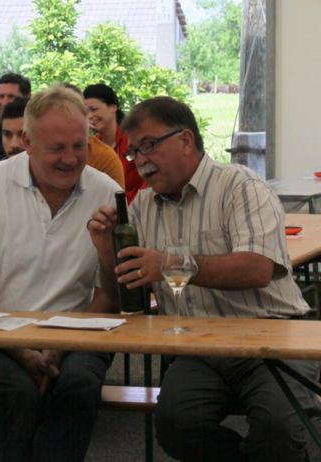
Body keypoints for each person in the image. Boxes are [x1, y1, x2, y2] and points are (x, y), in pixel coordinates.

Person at [88, 96, 320, 462]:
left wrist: (171, 263)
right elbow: (126, 299)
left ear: (185, 140)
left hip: (272, 336)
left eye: (149, 145)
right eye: (133, 152)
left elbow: (258, 268)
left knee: (277, 429)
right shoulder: (142, 207)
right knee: (175, 425)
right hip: (198, 345)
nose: (140, 161)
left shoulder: (241, 186)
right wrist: (106, 249)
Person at [0, 86, 121, 462]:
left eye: (79, 146)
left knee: (76, 387)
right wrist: (21, 350)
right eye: (57, 148)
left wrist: (60, 347)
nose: (70, 159)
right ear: (26, 142)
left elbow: (111, 299)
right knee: (17, 394)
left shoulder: (107, 192)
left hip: (79, 334)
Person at [83, 83, 143, 202]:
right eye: (85, 112)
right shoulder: (92, 147)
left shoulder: (132, 139)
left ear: (113, 107)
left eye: (94, 109)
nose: (89, 116)